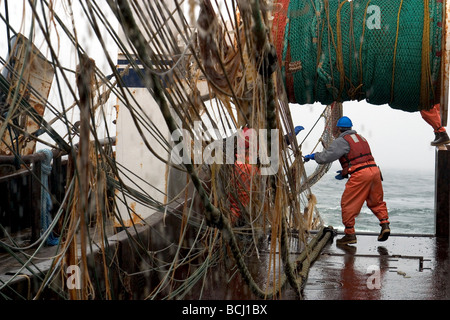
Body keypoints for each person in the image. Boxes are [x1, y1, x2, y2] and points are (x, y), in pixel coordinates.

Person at [304, 116, 390, 245]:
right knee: (376, 201)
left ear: (338, 129)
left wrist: (313, 156)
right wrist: (345, 172)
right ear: (350, 128)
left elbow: (326, 157)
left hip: (361, 175)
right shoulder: (361, 138)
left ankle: (350, 234)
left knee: (348, 204)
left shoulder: (342, 140)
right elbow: (359, 159)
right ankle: (385, 225)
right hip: (375, 171)